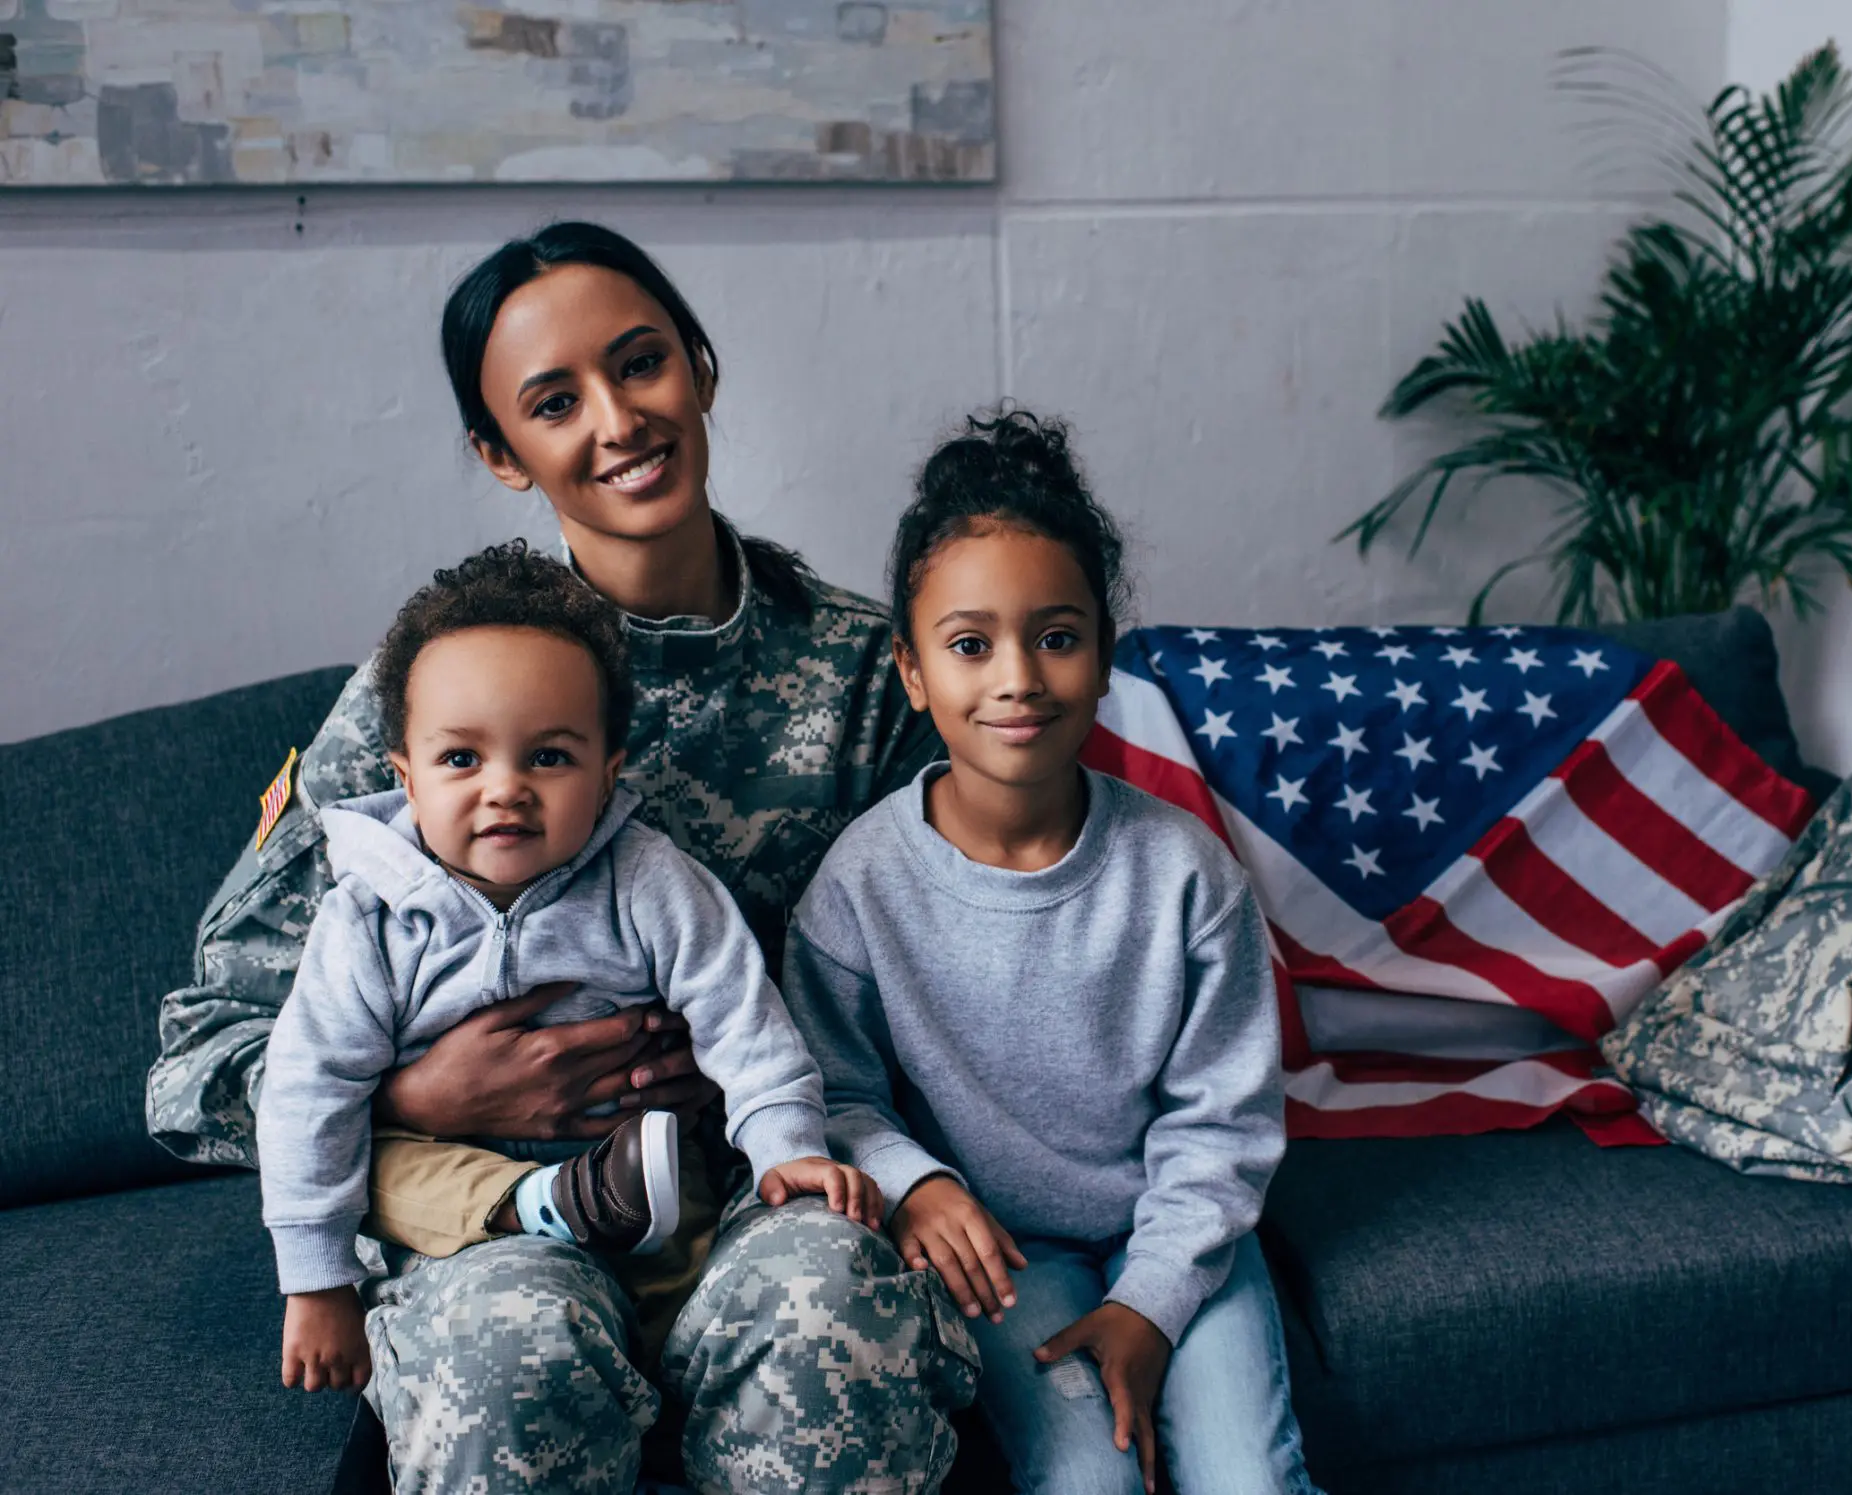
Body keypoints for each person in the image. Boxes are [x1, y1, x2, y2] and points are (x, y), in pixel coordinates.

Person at [146, 222, 974, 1494]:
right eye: (551, 401)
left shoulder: (872, 674)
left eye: (640, 363)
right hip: (489, 1228)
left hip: (755, 1186)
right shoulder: (434, 691)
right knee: (506, 1350)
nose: (617, 419)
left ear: (699, 368)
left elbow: (971, 970)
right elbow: (197, 1061)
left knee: (828, 1306)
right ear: (499, 454)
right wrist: (420, 1096)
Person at [783, 409, 1321, 1495]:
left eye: (1057, 636)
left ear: (1102, 656)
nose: (1016, 677)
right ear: (912, 670)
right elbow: (829, 1089)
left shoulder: (1182, 872)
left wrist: (1152, 1302)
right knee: (1090, 1483)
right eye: (970, 644)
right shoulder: (861, 881)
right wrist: (914, 1185)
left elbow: (1222, 1119)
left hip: (1178, 1235)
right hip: (999, 1254)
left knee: (1248, 1483)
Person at [260, 541, 883, 1395]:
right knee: (384, 1165)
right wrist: (317, 1279)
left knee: (685, 1279)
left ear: (607, 769)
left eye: (548, 756)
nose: (505, 788)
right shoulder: (368, 914)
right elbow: (308, 1085)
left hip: (640, 1170)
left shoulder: (649, 881)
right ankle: (546, 1202)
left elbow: (742, 1014)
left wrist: (786, 1147)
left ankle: (668, 1373)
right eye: (460, 759)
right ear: (404, 777)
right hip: (451, 1183)